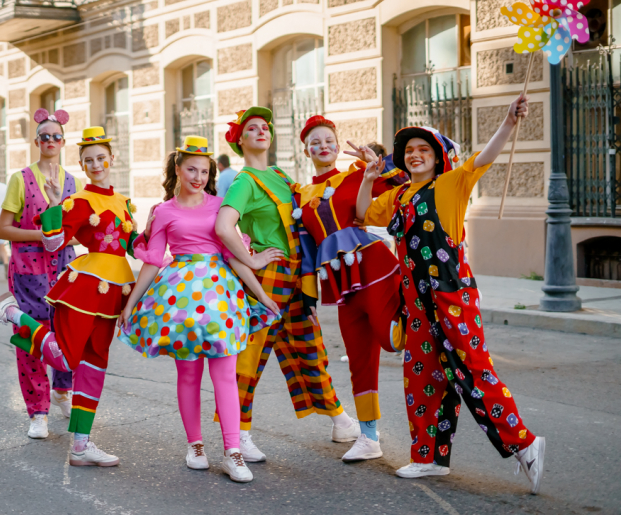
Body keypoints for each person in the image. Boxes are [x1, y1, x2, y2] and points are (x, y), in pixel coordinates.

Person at [356, 95, 546, 493]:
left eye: (423, 149)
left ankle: (525, 443)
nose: (414, 155)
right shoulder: (398, 197)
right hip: (417, 303)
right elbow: (362, 214)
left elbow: (486, 156)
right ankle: (427, 458)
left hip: (450, 295)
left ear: (438, 156)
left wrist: (509, 123)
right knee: (422, 376)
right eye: (408, 151)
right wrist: (369, 178)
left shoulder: (452, 183)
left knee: (473, 371)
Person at [0, 126, 140, 467]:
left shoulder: (123, 202)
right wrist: (53, 207)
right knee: (66, 359)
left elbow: (133, 245)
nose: (96, 165)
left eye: (101, 158)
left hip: (113, 294)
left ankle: (81, 445)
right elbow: (53, 243)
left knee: (94, 368)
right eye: (89, 160)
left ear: (112, 158)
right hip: (83, 289)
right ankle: (13, 314)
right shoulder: (79, 200)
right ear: (81, 163)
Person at [116, 136, 281, 483]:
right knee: (188, 375)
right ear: (177, 168)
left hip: (221, 300)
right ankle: (195, 446)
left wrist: (262, 295)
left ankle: (233, 452)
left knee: (224, 374)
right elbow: (151, 262)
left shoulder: (220, 206)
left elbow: (233, 256)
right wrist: (131, 304)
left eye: (204, 171)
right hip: (179, 303)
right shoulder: (163, 212)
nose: (198, 177)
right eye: (191, 169)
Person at [213, 107, 359, 463]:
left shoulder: (279, 174)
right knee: (250, 356)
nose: (261, 131)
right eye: (252, 128)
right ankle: (239, 433)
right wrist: (252, 260)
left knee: (310, 346)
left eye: (265, 127)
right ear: (240, 140)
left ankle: (339, 419)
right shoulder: (244, 181)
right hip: (267, 276)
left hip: (296, 275)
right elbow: (223, 226)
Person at [294, 116, 405, 462]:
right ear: (306, 149)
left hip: (374, 265)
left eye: (328, 139)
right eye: (315, 141)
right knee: (358, 355)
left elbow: (405, 190)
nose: (323, 145)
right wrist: (308, 294)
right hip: (340, 281)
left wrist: (379, 164)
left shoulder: (358, 173)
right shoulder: (299, 194)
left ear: (336, 142)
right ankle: (369, 436)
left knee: (390, 338)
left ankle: (425, 319)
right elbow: (305, 249)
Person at [0, 108, 80, 439]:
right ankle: (38, 411)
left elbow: (76, 233)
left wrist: (61, 237)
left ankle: (62, 390)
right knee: (32, 341)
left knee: (68, 334)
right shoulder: (20, 179)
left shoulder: (73, 181)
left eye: (56, 137)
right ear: (36, 141)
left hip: (64, 270)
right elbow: (3, 229)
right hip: (28, 271)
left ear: (63, 142)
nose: (50, 141)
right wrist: (42, 236)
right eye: (44, 136)